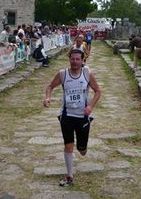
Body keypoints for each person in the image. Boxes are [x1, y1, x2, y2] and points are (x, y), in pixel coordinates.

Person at [44, 49, 102, 187]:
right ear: (69, 59)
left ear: (82, 61)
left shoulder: (86, 73)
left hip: (82, 117)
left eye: (78, 59)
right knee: (68, 145)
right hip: (67, 116)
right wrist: (47, 98)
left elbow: (98, 92)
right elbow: (50, 86)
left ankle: (82, 148)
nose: (75, 62)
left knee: (82, 150)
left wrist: (90, 107)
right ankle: (69, 176)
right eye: (72, 59)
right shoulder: (63, 74)